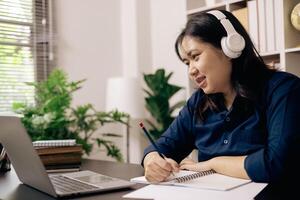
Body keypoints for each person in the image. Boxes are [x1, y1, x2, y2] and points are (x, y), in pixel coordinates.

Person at [142, 9, 300, 188]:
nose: (191, 70)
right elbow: (164, 145)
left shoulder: (283, 89)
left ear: (230, 47)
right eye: (187, 63)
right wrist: (152, 159)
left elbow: (275, 163)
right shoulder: (198, 103)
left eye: (196, 57)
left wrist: (212, 164)